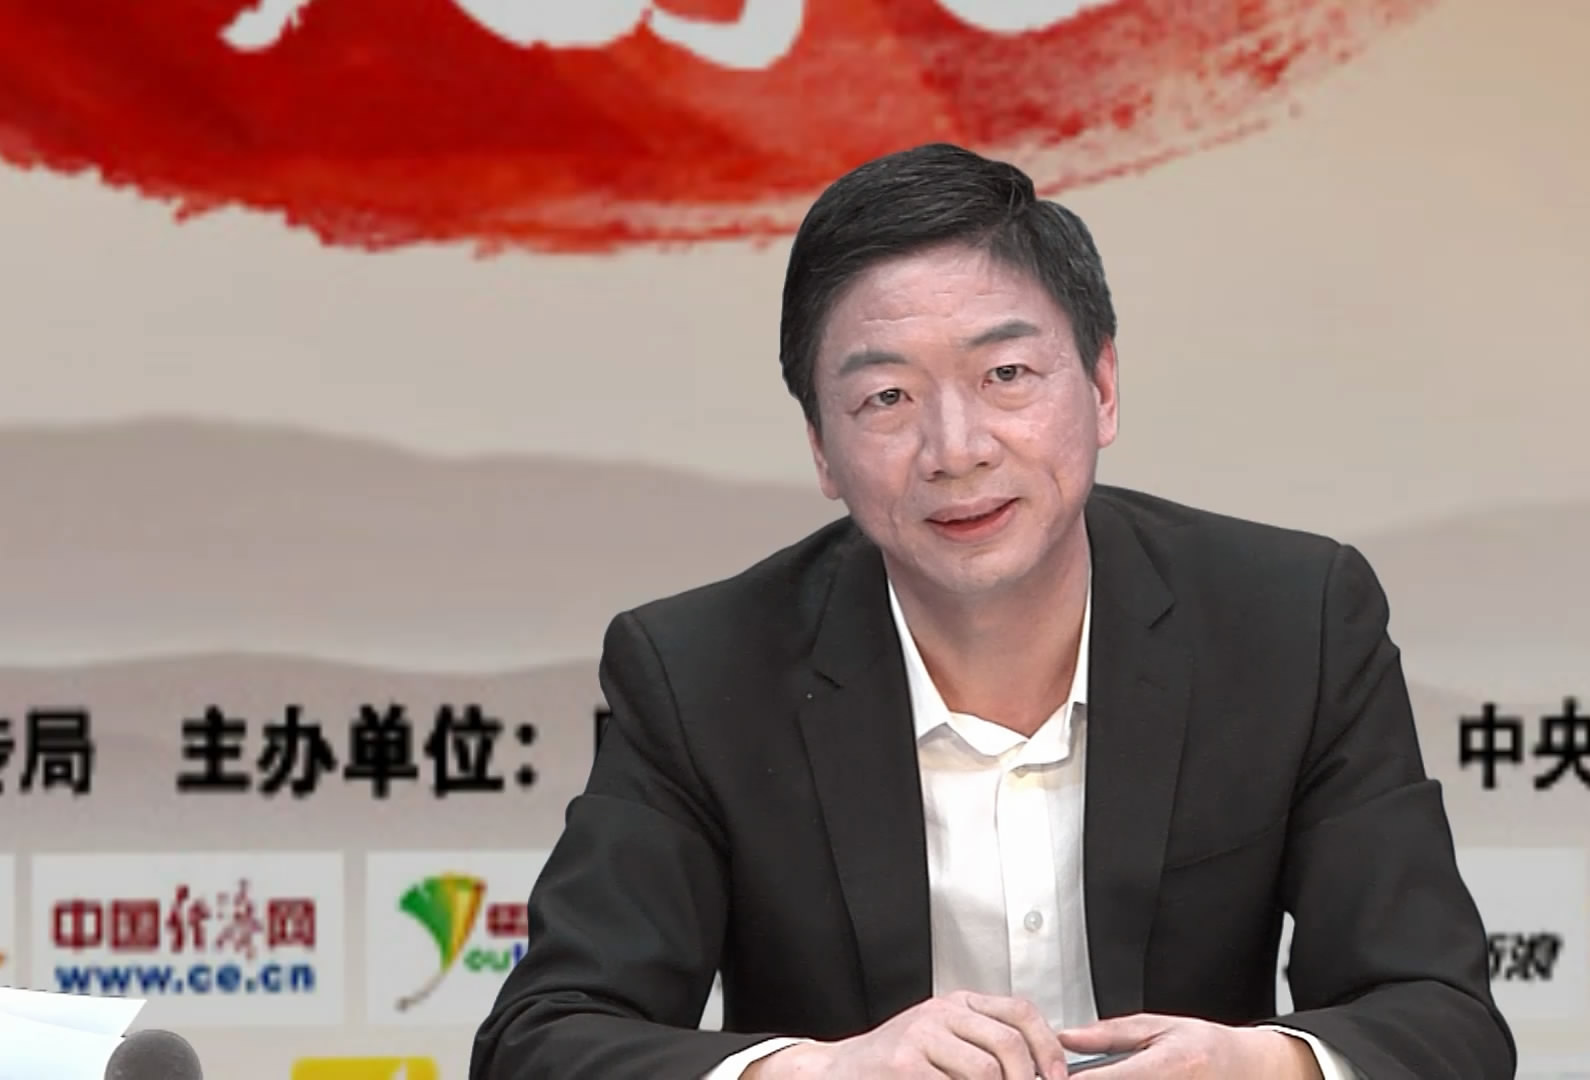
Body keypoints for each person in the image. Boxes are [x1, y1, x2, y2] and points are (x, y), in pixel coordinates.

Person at [470, 142, 1515, 1080]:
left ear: (1102, 387)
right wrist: (822, 1074)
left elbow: (1443, 1020)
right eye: (886, 398)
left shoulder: (1292, 623)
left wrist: (1263, 1067)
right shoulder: (701, 672)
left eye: (1006, 373)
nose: (955, 448)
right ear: (822, 450)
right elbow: (541, 1042)